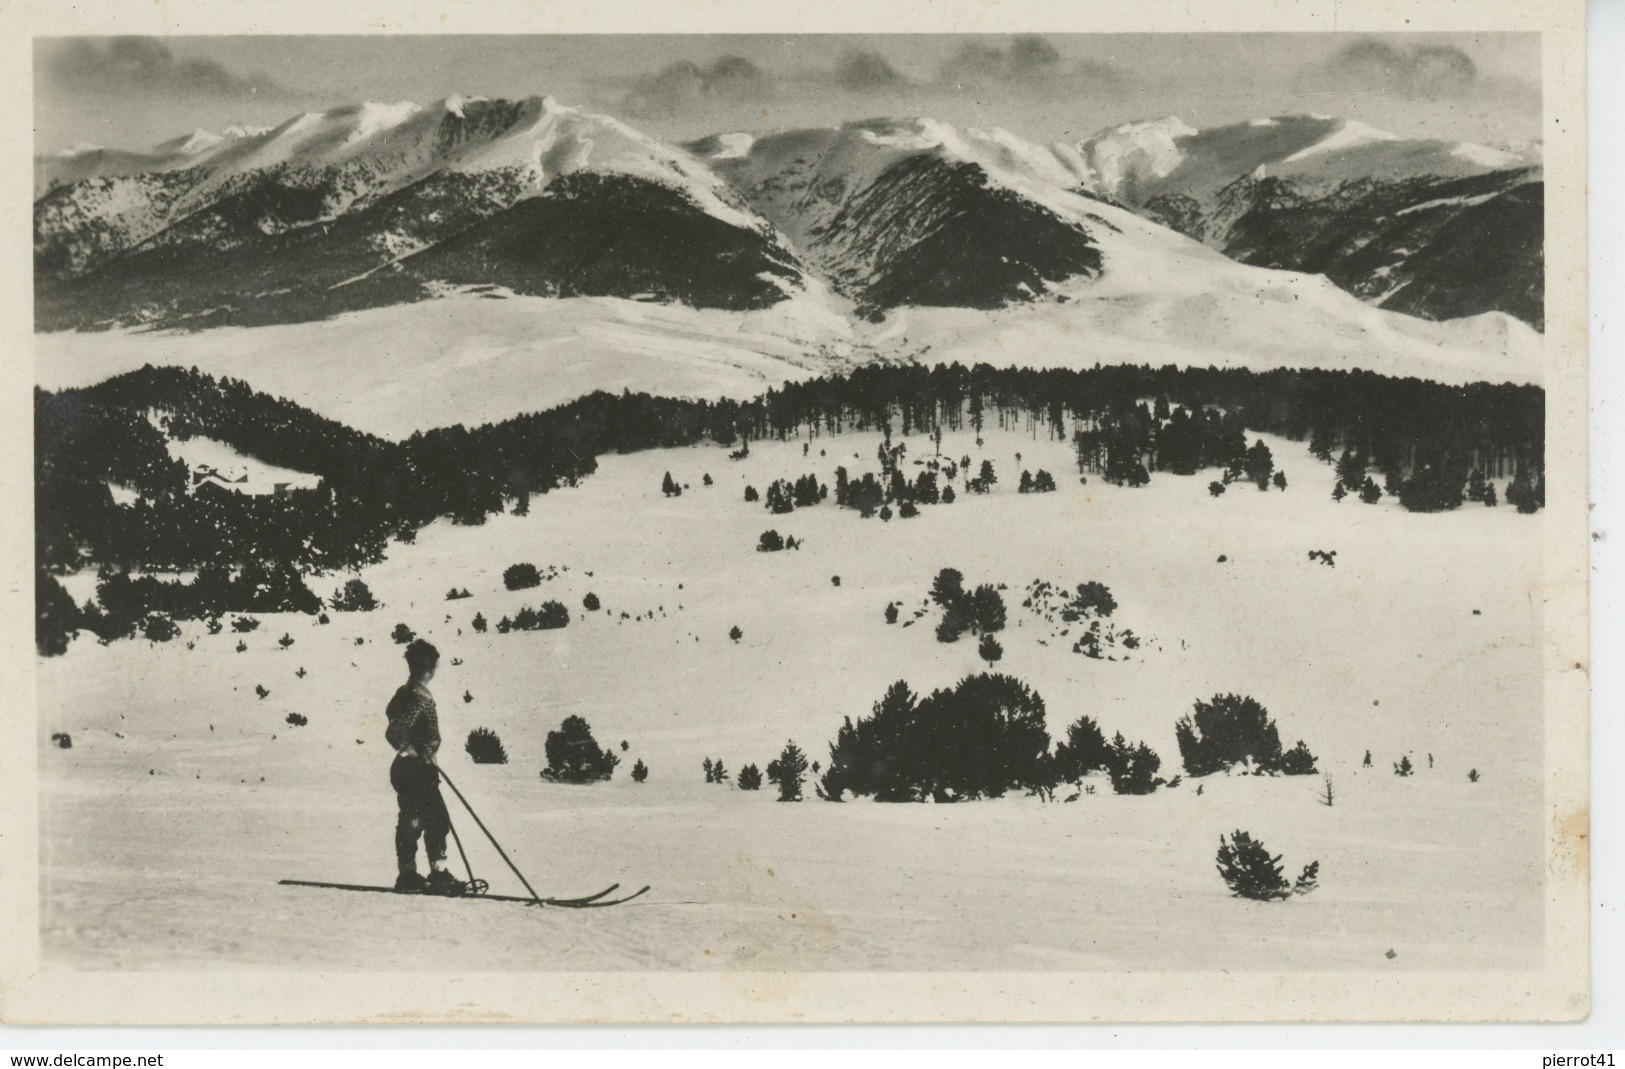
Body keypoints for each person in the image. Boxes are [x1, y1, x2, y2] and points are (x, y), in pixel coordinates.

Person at [384, 639, 463, 895]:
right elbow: (395, 731)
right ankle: (436, 876)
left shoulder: (408, 692)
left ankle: (409, 875)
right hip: (415, 771)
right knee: (434, 819)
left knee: (415, 819)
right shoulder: (417, 698)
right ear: (430, 669)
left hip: (411, 771)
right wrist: (415, 753)